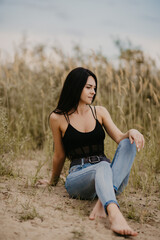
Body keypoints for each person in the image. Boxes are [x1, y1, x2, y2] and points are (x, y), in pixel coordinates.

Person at [36, 67, 145, 236]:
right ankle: (114, 214)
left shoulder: (99, 112)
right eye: (88, 87)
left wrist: (132, 131)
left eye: (94, 88)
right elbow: (59, 155)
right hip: (79, 178)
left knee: (128, 144)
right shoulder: (57, 118)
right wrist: (52, 182)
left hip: (109, 176)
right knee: (102, 166)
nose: (93, 92)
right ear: (76, 86)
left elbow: (119, 138)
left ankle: (102, 202)